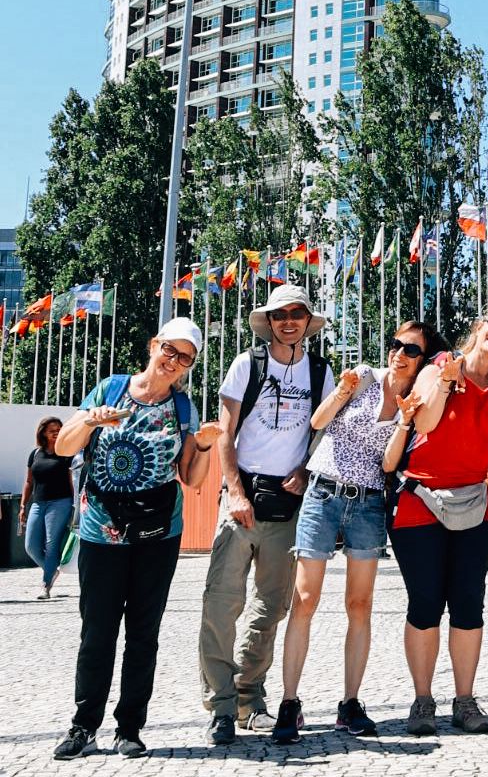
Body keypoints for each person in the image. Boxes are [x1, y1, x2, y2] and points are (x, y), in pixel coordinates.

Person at [51, 319, 220, 761]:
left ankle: (130, 728)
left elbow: (191, 478)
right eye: (169, 349)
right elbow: (65, 448)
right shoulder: (110, 389)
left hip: (158, 534)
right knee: (97, 633)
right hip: (101, 531)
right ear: (153, 345)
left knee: (143, 633)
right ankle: (83, 725)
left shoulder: (183, 409)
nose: (173, 361)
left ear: (189, 366)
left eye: (185, 357)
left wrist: (202, 447)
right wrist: (91, 420)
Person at [274, 320, 438, 744]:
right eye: (396, 343)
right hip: (324, 491)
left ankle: (350, 703)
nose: (399, 353)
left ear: (423, 359)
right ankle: (289, 703)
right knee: (305, 598)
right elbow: (317, 420)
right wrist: (343, 391)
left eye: (411, 350)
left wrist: (404, 423)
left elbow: (388, 465)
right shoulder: (364, 376)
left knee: (359, 604)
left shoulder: (416, 400)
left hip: (367, 501)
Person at [384, 303, 488, 737]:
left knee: (468, 604)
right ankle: (422, 700)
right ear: (480, 324)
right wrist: (447, 385)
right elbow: (425, 423)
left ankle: (464, 700)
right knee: (426, 604)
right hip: (419, 500)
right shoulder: (440, 366)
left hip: (471, 503)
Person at [198, 284, 333, 745]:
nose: (288, 320)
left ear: (306, 322)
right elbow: (224, 432)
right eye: (280, 314)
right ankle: (218, 706)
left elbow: (326, 429)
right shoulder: (246, 364)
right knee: (222, 602)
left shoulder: (320, 371)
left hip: (289, 502)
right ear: (269, 322)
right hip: (243, 496)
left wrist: (304, 469)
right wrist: (234, 491)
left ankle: (249, 696)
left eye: (297, 313)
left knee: (272, 606)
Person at [21, 415, 73, 599]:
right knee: (31, 546)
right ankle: (51, 571)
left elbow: (71, 481)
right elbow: (29, 481)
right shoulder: (35, 454)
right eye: (52, 430)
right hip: (38, 502)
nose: (56, 433)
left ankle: (45, 585)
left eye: (59, 430)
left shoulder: (67, 453)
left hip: (61, 502)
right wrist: (22, 507)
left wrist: (75, 506)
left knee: (51, 544)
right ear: (43, 432)